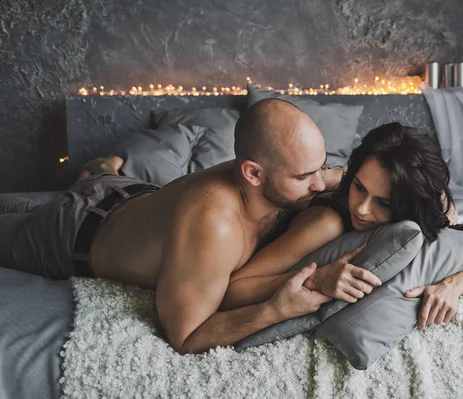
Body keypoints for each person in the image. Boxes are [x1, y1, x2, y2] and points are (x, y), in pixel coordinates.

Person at [0, 98, 381, 354]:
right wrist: (275, 310)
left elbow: (355, 179)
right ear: (253, 173)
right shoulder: (216, 228)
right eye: (304, 176)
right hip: (74, 229)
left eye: (322, 167)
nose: (319, 183)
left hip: (125, 190)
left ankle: (105, 167)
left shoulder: (291, 174)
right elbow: (186, 337)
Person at [219, 122, 463, 331]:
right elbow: (233, 290)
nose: (360, 208)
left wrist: (453, 285)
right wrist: (314, 278)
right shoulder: (326, 224)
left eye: (383, 203)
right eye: (358, 187)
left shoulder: (431, 208)